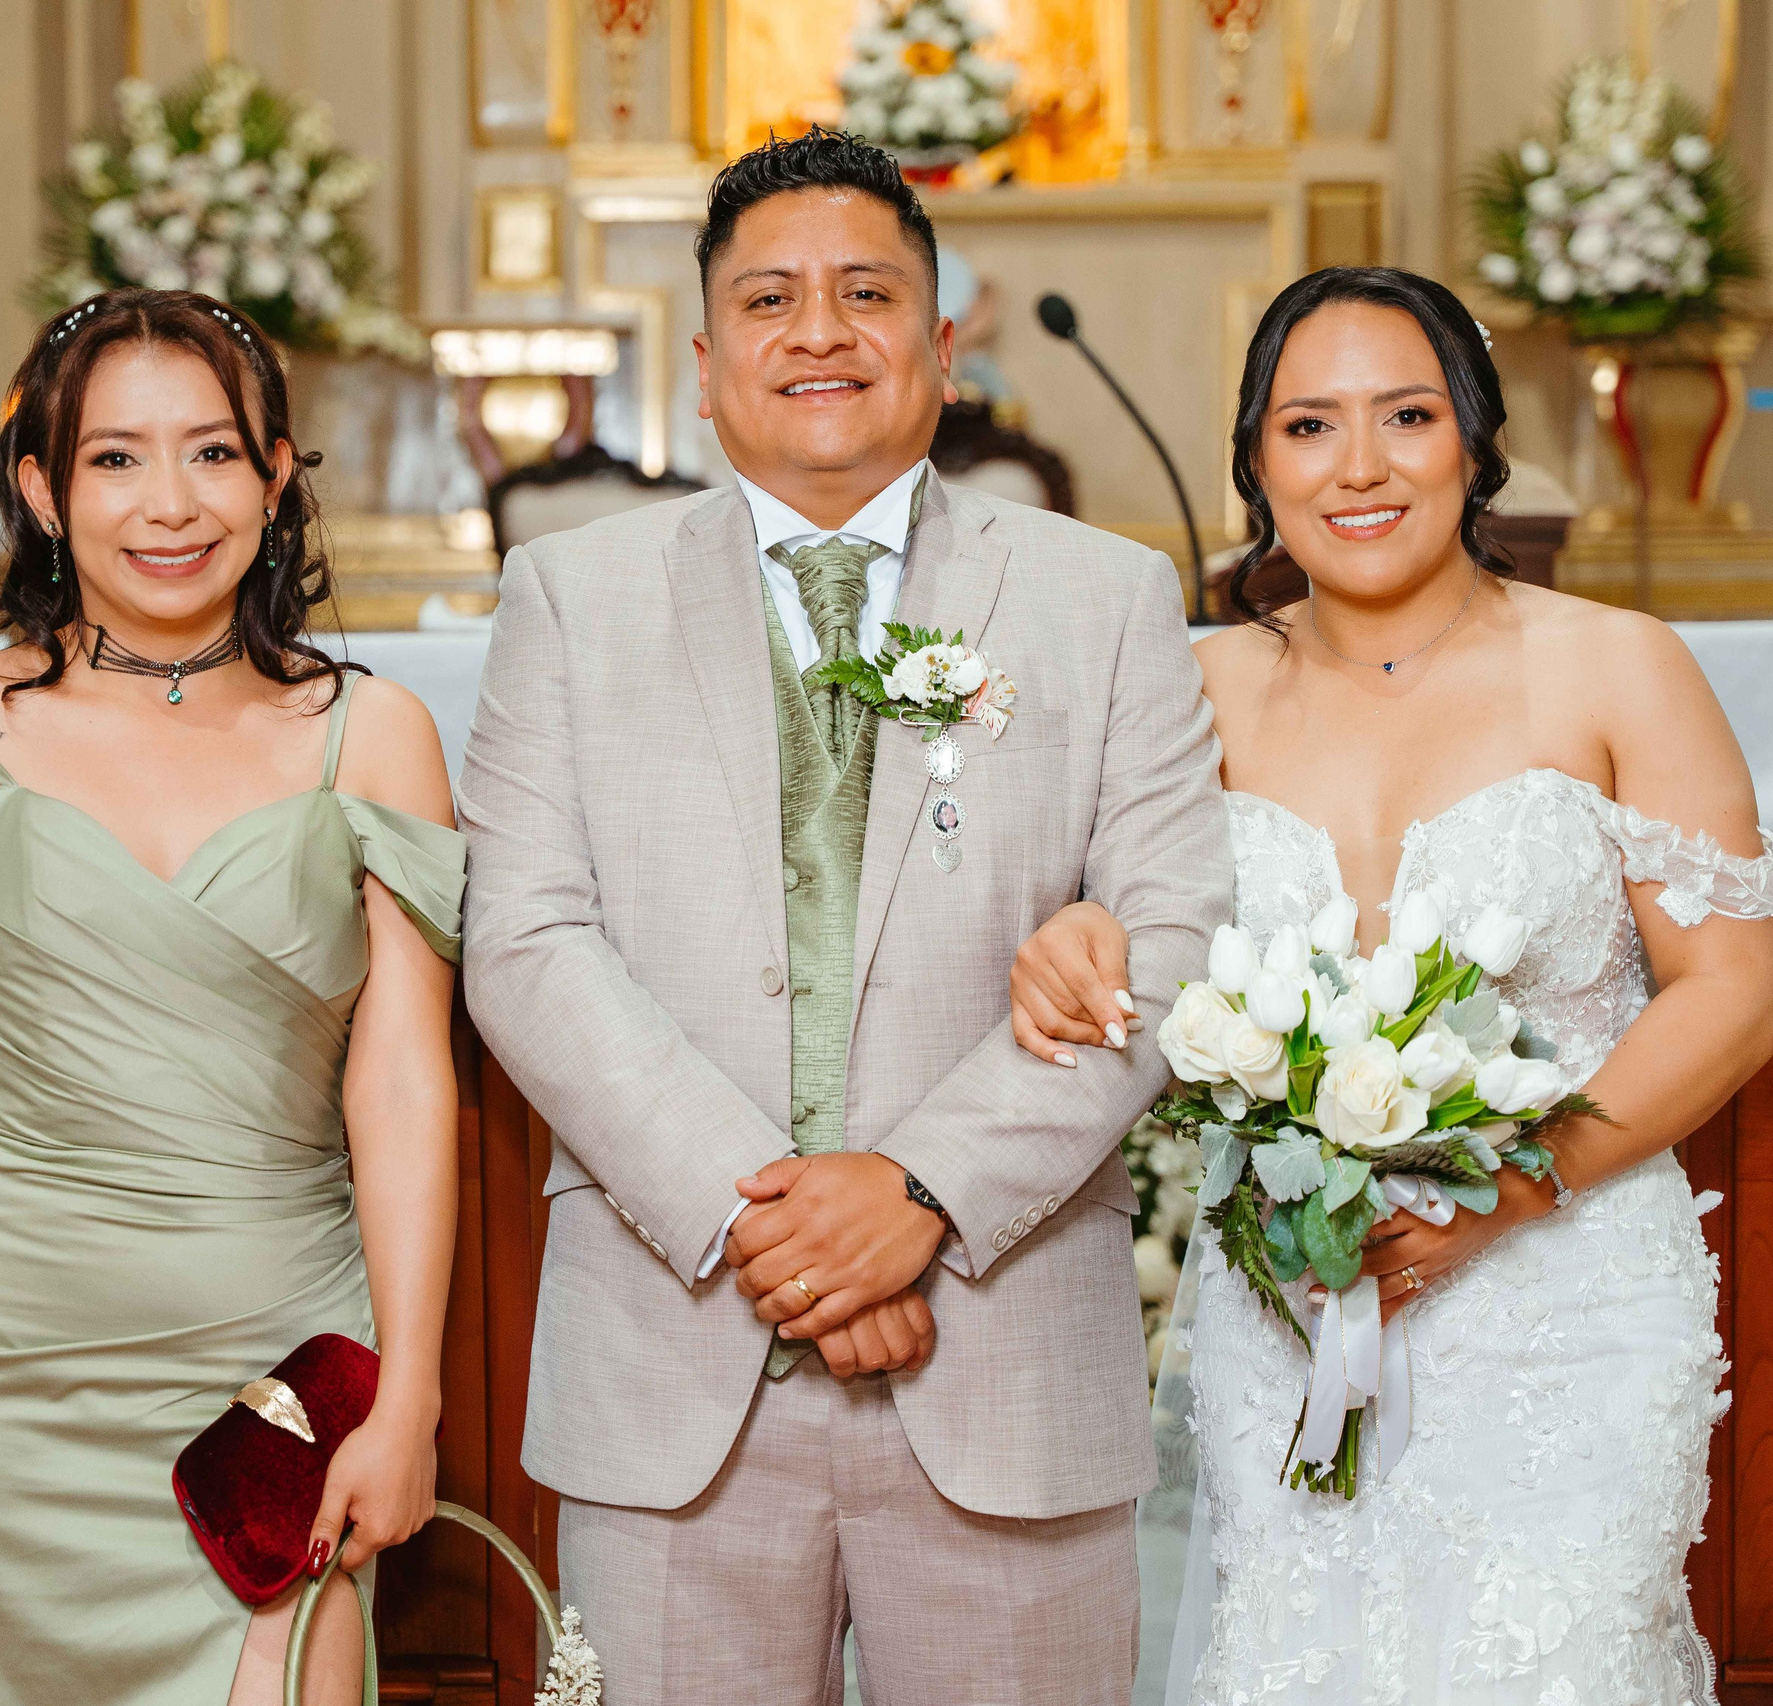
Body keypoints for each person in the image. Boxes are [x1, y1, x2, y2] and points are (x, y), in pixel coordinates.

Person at [457, 128, 1232, 1703]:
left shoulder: (1103, 597)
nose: (820, 332)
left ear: (942, 349)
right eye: (771, 300)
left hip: (998, 1347)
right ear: (703, 358)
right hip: (677, 1362)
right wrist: (780, 1230)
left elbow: (1174, 941)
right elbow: (526, 944)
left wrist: (921, 1194)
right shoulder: (570, 596)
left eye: (868, 293)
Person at [1008, 266, 1773, 1703]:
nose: (1358, 467)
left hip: (1571, 1299)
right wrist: (1071, 943)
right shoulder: (1193, 691)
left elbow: (1732, 992)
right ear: (1254, 461)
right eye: (1309, 427)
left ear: (1476, 442)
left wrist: (1506, 1191)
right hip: (1296, 1301)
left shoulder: (1621, 669)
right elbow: (1107, 933)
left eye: (1407, 416)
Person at [0, 288, 465, 1706]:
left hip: (276, 1361)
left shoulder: (374, 737)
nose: (170, 502)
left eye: (213, 453)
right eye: (114, 458)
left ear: (278, 476)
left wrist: (408, 1391)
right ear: (39, 488)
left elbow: (403, 1083)